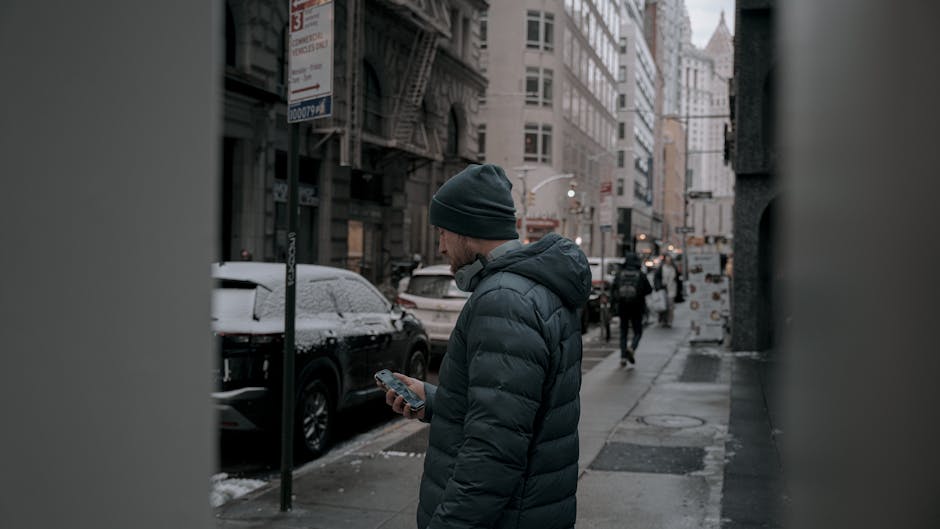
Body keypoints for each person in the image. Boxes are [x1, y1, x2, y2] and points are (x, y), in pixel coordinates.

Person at [378, 163, 591, 529]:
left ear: (468, 230)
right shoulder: (531, 289)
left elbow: (492, 453)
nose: (441, 245)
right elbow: (513, 413)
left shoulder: (504, 300)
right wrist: (434, 400)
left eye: (443, 232)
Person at [611, 253, 653, 366]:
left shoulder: (620, 274)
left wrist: (614, 305)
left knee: (623, 332)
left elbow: (613, 290)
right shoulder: (641, 274)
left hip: (623, 307)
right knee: (638, 331)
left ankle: (623, 357)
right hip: (637, 307)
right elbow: (649, 290)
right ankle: (632, 348)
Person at [658, 255, 678, 327]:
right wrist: (659, 286)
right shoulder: (661, 268)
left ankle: (669, 321)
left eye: (669, 260)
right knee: (663, 306)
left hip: (672, 289)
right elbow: (657, 277)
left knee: (670, 306)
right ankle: (663, 320)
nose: (668, 262)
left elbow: (677, 279)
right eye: (667, 260)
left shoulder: (673, 268)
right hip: (663, 289)